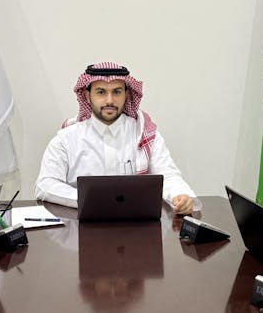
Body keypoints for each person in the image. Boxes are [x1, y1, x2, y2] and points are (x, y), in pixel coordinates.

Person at [35, 61, 199, 214]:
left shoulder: (144, 134)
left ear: (126, 94)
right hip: (82, 225)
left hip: (136, 225)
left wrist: (179, 195)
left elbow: (168, 176)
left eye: (117, 92)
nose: (110, 100)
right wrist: (88, 200)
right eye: (101, 92)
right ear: (87, 96)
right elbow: (45, 184)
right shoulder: (66, 139)